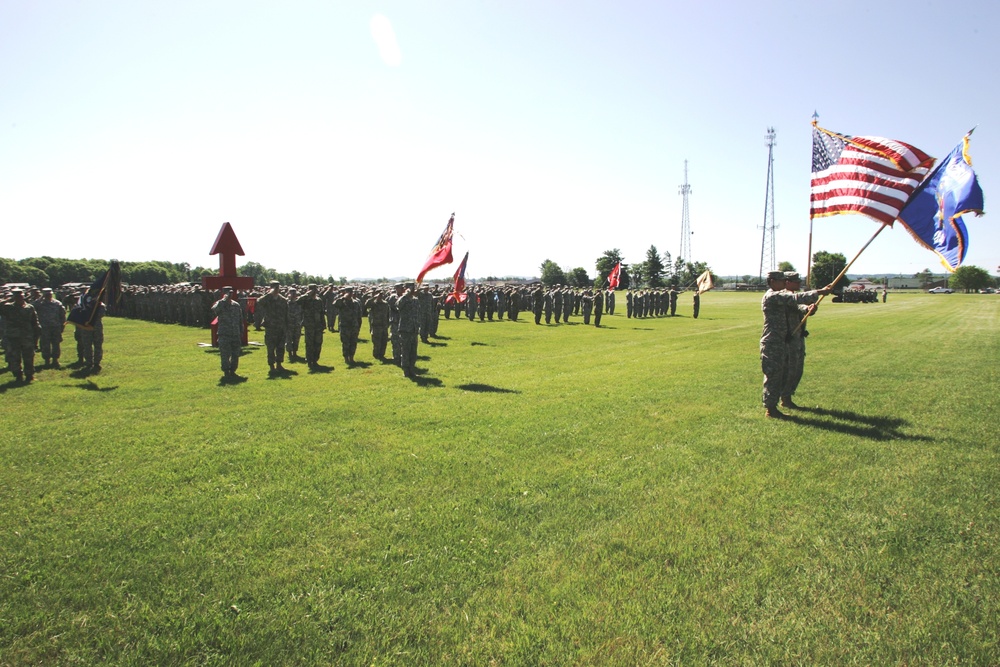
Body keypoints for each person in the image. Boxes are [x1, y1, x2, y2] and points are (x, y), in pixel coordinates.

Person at [760, 270, 832, 419]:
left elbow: (796, 306)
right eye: (781, 281)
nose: (784, 283)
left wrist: (808, 309)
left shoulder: (781, 297)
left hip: (784, 342)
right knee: (774, 376)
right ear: (773, 281)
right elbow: (794, 298)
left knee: (786, 374)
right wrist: (820, 291)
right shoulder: (772, 296)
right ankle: (770, 409)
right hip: (773, 343)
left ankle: (782, 401)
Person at [780, 272, 814, 409]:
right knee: (788, 369)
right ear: (787, 282)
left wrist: (809, 308)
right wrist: (805, 306)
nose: (799, 284)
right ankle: (783, 398)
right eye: (795, 281)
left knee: (797, 370)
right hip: (787, 339)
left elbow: (800, 307)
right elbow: (795, 305)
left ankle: (787, 397)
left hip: (798, 337)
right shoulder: (783, 296)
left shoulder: (795, 296)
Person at [0, 289, 40, 383]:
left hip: (27, 336)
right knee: (14, 357)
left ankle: (29, 375)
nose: (19, 298)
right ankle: (18, 375)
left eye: (20, 296)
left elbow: (35, 321)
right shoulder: (8, 307)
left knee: (29, 357)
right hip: (13, 336)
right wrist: (10, 299)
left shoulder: (29, 307)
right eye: (17, 296)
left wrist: (37, 332)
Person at [254, 280, 289, 372]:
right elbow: (259, 302)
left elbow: (286, 313)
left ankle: (279, 364)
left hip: (281, 327)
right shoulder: (267, 299)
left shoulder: (283, 300)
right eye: (275, 287)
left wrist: (286, 325)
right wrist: (270, 294)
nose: (277, 289)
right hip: (270, 327)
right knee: (271, 348)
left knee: (280, 347)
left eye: (278, 287)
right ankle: (271, 366)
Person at [211, 287, 245, 378]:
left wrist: (241, 331)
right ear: (224, 293)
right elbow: (214, 310)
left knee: (235, 354)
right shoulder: (220, 304)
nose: (230, 294)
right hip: (224, 333)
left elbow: (240, 319)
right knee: (225, 354)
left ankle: (233, 371)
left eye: (232, 293)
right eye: (228, 293)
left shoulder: (236, 305)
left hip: (235, 333)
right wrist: (224, 300)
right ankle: (226, 371)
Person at [296, 284, 327, 369]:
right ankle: (309, 361)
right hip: (309, 325)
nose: (313, 291)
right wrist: (307, 294)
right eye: (311, 289)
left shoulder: (318, 300)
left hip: (318, 325)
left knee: (318, 343)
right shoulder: (306, 300)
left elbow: (321, 313)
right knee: (309, 344)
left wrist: (323, 324)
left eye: (314, 289)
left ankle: (315, 360)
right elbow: (297, 302)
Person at [34, 287, 66, 368]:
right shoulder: (39, 303)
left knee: (56, 344)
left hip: (55, 327)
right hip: (44, 327)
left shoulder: (57, 303)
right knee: (45, 344)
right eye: (46, 294)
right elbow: (31, 306)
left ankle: (55, 360)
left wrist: (62, 325)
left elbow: (62, 315)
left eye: (50, 294)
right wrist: (41, 298)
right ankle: (46, 360)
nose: (49, 296)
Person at [334, 287, 363, 365]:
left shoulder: (356, 303)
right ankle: (346, 358)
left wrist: (359, 325)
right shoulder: (342, 302)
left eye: (351, 292)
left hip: (354, 326)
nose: (350, 294)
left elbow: (359, 315)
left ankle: (351, 357)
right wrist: (343, 297)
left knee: (353, 343)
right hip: (345, 326)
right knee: (345, 343)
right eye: (348, 292)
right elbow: (335, 304)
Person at [397, 283, 421, 378]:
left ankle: (412, 369)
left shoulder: (415, 300)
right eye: (410, 288)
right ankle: (406, 371)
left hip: (414, 329)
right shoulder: (403, 299)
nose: (412, 290)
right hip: (405, 329)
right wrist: (406, 294)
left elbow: (417, 313)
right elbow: (398, 305)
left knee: (413, 352)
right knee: (406, 351)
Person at [367, 290, 390, 360]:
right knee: (377, 342)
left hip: (384, 325)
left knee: (384, 341)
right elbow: (366, 305)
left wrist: (388, 323)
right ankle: (376, 355)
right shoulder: (373, 303)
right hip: (376, 325)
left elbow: (388, 314)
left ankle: (382, 355)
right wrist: (374, 297)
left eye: (381, 295)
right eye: (379, 294)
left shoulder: (385, 304)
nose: (380, 296)